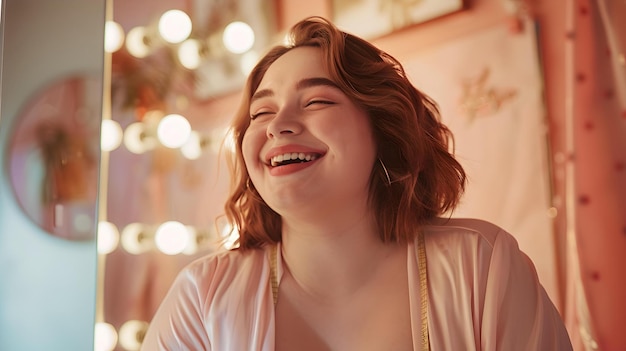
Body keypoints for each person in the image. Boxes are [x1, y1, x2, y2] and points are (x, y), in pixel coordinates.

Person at [140, 16, 573, 350]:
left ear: (384, 130)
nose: (278, 127)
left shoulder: (482, 266)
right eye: (261, 113)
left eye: (316, 101)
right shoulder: (204, 298)